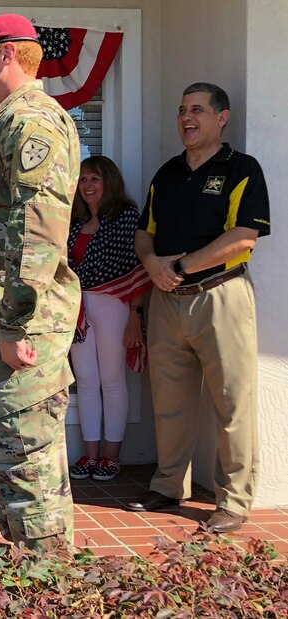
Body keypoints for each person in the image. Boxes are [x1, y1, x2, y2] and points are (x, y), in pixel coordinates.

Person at [0, 14, 81, 550]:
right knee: (2, 449)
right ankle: (24, 569)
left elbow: (37, 232)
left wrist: (14, 324)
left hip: (20, 323)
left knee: (26, 451)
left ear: (6, 56)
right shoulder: (1, 121)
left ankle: (48, 578)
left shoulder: (32, 124)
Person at [128, 83, 270, 533]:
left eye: (197, 110)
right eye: (181, 109)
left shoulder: (241, 168)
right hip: (166, 300)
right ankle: (169, 486)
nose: (186, 118)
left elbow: (244, 236)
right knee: (169, 403)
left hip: (220, 297)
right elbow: (144, 232)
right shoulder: (167, 172)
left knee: (232, 403)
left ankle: (233, 502)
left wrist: (183, 266)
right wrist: (152, 264)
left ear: (221, 117)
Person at [67, 156, 147, 482]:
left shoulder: (127, 218)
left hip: (114, 303)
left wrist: (135, 319)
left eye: (95, 179)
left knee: (112, 380)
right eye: (83, 179)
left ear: (109, 181)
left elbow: (137, 269)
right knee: (85, 380)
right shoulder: (74, 221)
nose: (87, 186)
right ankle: (90, 453)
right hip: (78, 308)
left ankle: (111, 457)